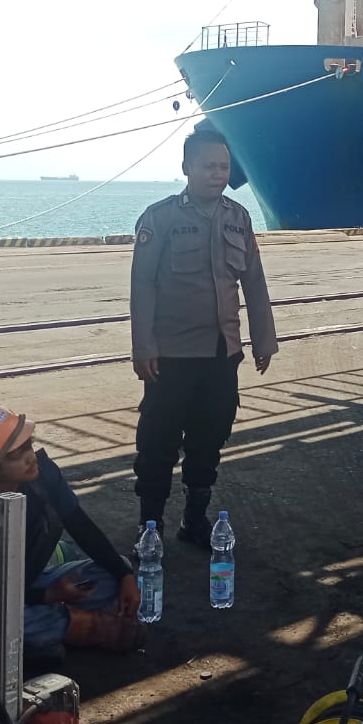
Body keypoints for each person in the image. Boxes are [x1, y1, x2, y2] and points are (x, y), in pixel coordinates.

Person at [129, 125, 276, 546]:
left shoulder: (238, 218)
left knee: (209, 438)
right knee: (157, 443)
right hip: (171, 356)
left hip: (220, 354)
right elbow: (143, 284)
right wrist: (143, 346)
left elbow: (254, 283)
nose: (217, 174)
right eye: (209, 166)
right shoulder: (160, 218)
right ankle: (149, 527)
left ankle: (194, 519)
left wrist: (263, 341)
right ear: (187, 168)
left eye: (224, 167)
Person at [0, 402, 144, 656]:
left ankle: (49, 628)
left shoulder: (42, 473)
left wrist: (124, 574)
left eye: (28, 445)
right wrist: (46, 595)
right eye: (17, 454)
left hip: (29, 581)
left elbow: (80, 525)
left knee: (112, 573)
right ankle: (84, 628)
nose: (30, 456)